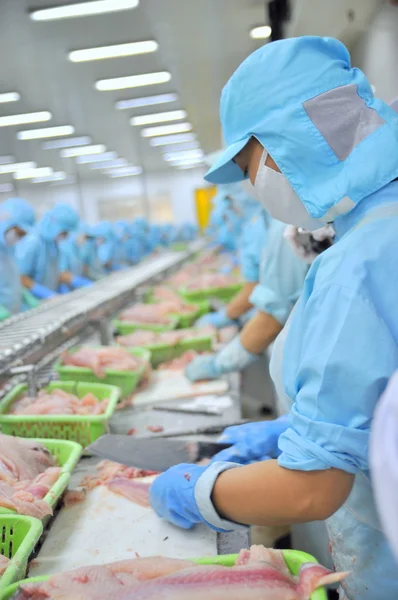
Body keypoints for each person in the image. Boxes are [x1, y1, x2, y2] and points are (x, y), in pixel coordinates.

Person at [149, 36, 398, 600]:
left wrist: (201, 492)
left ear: (290, 143)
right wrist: (299, 431)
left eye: (249, 163)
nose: (254, 185)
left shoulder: (357, 263)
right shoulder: (377, 229)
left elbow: (311, 493)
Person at [197, 182, 270, 329]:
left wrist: (224, 316)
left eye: (228, 211)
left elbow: (255, 287)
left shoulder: (258, 229)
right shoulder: (253, 226)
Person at [15, 204, 79, 299]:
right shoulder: (33, 242)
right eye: (64, 232)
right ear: (54, 225)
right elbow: (21, 277)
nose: (65, 236)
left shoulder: (54, 245)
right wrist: (46, 294)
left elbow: (55, 273)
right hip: (34, 301)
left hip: (48, 299)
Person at [0, 198, 34, 317]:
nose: (18, 238)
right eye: (17, 232)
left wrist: (26, 299)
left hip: (10, 318)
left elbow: (12, 281)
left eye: (22, 235)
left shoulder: (9, 249)